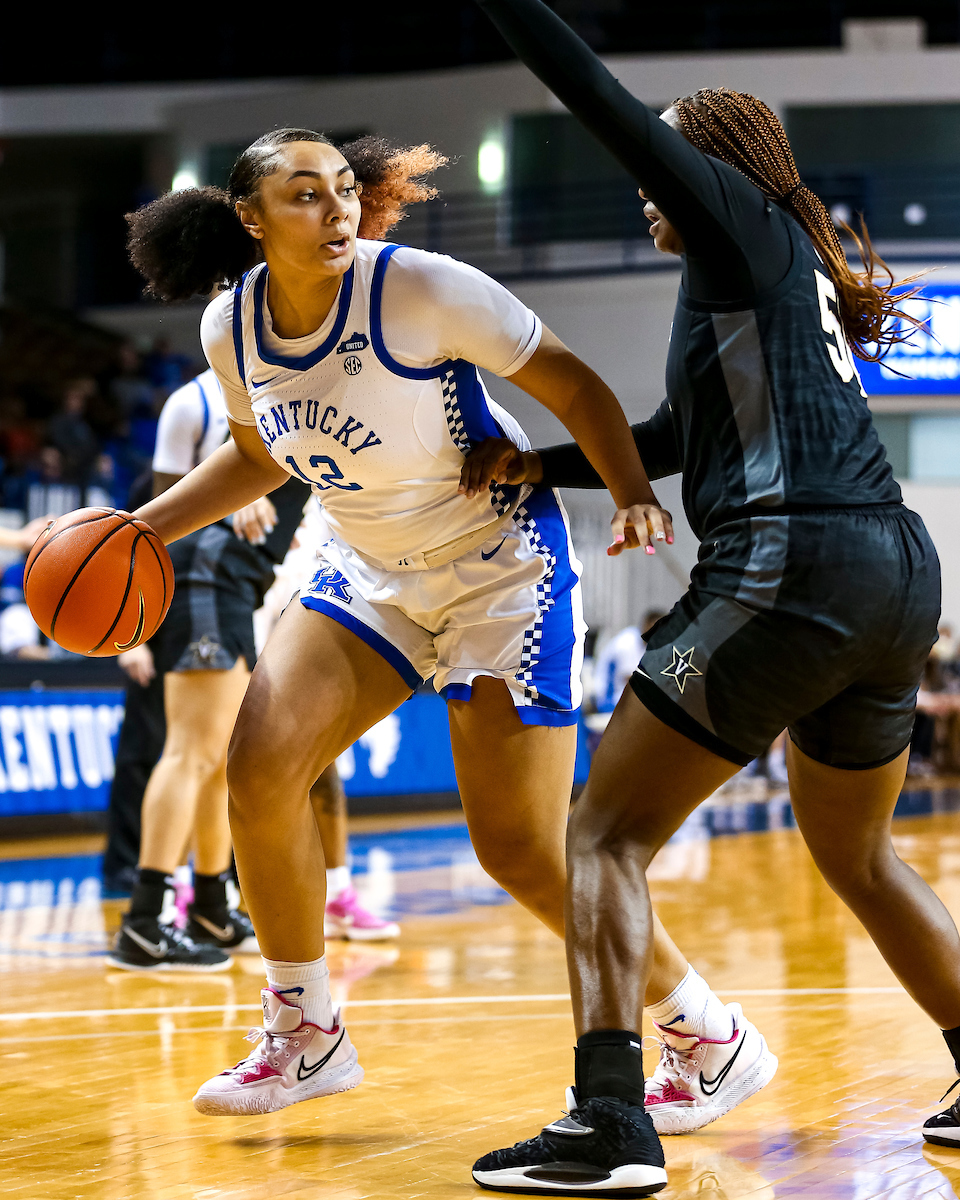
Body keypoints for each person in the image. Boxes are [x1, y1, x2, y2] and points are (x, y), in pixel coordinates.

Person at [120, 128, 761, 1124]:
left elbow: (577, 385)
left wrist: (632, 492)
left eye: (341, 189)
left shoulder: (420, 289)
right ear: (251, 219)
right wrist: (138, 529)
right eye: (303, 196)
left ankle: (705, 1031)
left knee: (523, 851)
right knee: (259, 766)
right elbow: (258, 456)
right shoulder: (230, 328)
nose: (334, 210)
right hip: (368, 567)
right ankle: (305, 1031)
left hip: (498, 566)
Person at [465, 1, 957, 1193]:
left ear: (715, 168)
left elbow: (605, 106)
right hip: (894, 570)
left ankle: (609, 1120)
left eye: (675, 163)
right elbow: (682, 434)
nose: (654, 187)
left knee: (602, 834)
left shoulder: (738, 223)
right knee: (862, 857)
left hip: (796, 570)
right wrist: (544, 463)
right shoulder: (778, 275)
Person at [106, 368, 310, 971]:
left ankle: (212, 907)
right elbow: (192, 491)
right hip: (207, 576)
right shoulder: (250, 395)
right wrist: (237, 494)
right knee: (190, 753)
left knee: (220, 757)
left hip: (235, 582)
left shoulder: (312, 390)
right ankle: (144, 922)